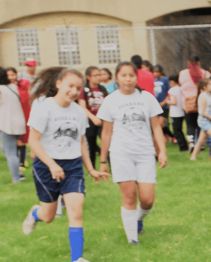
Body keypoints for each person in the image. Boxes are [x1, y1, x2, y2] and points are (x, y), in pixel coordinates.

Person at [21, 67, 108, 262]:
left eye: (78, 88)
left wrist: (91, 169)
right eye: (70, 86)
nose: (74, 91)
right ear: (59, 84)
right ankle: (36, 214)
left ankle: (76, 260)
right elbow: (32, 142)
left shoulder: (79, 112)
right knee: (49, 216)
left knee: (75, 212)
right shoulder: (44, 108)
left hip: (73, 166)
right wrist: (51, 164)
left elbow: (81, 143)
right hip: (46, 166)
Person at [97, 61, 168, 245]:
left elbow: (156, 127)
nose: (128, 79)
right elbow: (106, 132)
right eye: (123, 75)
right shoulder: (111, 100)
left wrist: (162, 151)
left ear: (136, 77)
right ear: (117, 78)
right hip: (121, 153)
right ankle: (132, 240)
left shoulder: (147, 98)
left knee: (147, 200)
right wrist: (103, 160)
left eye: (131, 75)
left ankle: (137, 218)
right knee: (129, 197)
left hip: (145, 153)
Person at [189, 77, 211, 162]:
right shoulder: (203, 96)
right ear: (204, 87)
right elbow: (203, 113)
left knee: (201, 141)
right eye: (210, 84)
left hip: (207, 120)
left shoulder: (210, 95)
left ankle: (193, 157)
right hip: (204, 121)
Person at [78, 66, 105, 167]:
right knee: (91, 145)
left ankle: (110, 166)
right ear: (88, 77)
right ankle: (92, 168)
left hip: (102, 120)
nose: (98, 77)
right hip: (89, 121)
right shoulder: (84, 90)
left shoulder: (102, 89)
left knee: (107, 142)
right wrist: (93, 118)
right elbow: (82, 106)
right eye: (96, 75)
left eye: (99, 75)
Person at [178, 57, 203, 144]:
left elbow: (181, 84)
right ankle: (201, 143)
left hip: (187, 102)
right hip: (200, 101)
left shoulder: (183, 73)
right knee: (200, 123)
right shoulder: (203, 72)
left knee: (190, 124)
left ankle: (191, 143)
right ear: (198, 62)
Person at [166, 75, 188, 151]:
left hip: (175, 113)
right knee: (180, 130)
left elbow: (174, 102)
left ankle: (183, 147)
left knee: (176, 131)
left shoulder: (172, 90)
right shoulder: (181, 89)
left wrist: (167, 101)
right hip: (182, 111)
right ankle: (185, 145)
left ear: (172, 81)